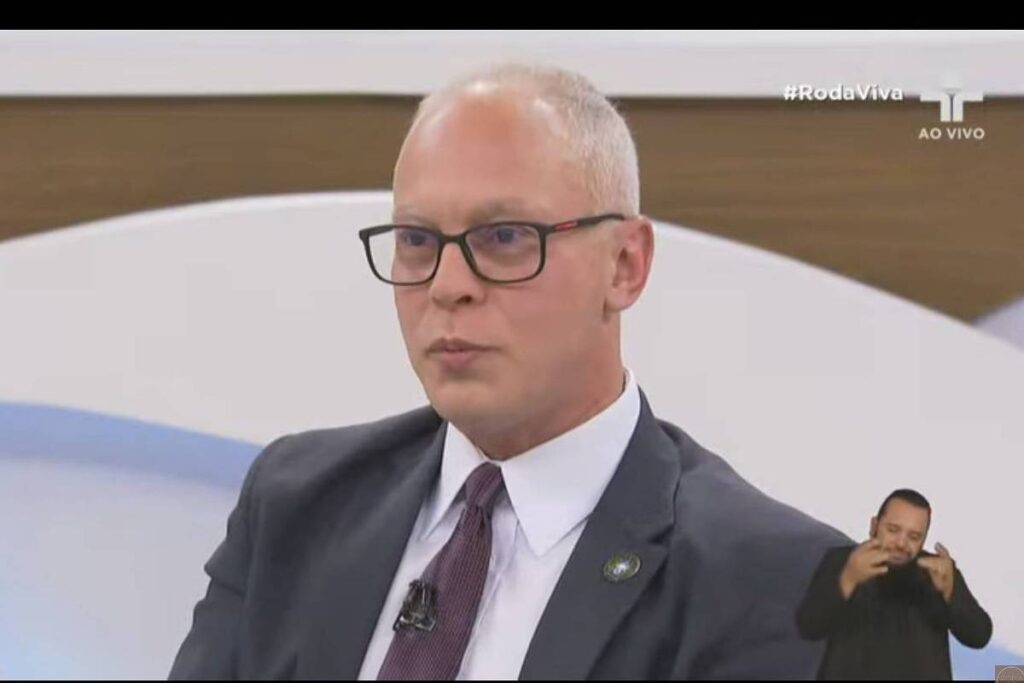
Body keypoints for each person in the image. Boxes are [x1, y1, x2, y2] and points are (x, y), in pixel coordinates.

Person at [169, 62, 849, 680]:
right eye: (417, 241)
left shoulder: (778, 582)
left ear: (625, 265)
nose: (448, 285)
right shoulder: (296, 504)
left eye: (503, 238)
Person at [796, 489, 992, 680]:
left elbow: (979, 636)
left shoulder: (939, 572)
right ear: (874, 525)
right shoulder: (842, 561)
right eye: (893, 530)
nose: (901, 543)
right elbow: (808, 626)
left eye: (913, 537)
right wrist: (848, 579)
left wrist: (950, 594)